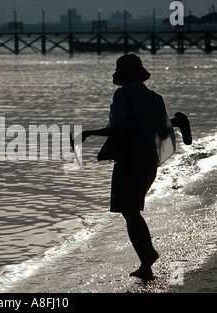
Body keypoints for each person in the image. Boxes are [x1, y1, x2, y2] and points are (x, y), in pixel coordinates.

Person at [79, 54, 192, 281]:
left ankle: (147, 258)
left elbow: (117, 127)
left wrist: (89, 133)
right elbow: (158, 130)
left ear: (122, 75)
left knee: (130, 213)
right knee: (133, 211)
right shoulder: (155, 97)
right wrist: (173, 123)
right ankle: (146, 262)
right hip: (149, 163)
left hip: (129, 161)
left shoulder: (123, 94)